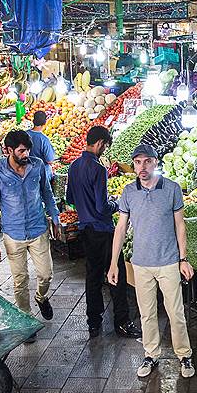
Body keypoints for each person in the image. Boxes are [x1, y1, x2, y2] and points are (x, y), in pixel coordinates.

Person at [109, 144, 195, 378]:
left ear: (156, 162)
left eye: (147, 161)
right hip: (141, 264)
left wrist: (183, 259)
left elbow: (180, 226)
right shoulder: (128, 192)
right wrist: (114, 263)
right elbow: (120, 228)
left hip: (168, 261)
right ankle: (151, 354)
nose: (142, 167)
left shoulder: (172, 189)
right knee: (146, 313)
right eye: (137, 162)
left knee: (175, 312)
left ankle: (184, 355)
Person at [66, 125, 141, 339]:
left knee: (93, 276)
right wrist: (116, 204)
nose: (104, 150)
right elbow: (102, 207)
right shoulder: (98, 169)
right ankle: (122, 323)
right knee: (116, 274)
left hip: (86, 231)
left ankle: (93, 323)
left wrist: (84, 205)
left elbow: (70, 199)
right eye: (105, 146)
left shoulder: (74, 166)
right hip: (103, 230)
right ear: (100, 143)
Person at [0, 130, 59, 325]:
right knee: (20, 281)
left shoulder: (38, 166)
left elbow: (47, 193)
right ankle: (26, 320)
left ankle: (41, 298)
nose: (26, 155)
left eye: (27, 150)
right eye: (21, 151)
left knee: (46, 274)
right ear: (8, 150)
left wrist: (56, 218)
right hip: (13, 234)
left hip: (38, 229)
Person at [26, 110, 56, 177]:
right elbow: (50, 160)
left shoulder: (25, 134)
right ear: (44, 123)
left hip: (26, 170)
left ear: (33, 121)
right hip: (41, 173)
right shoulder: (44, 139)